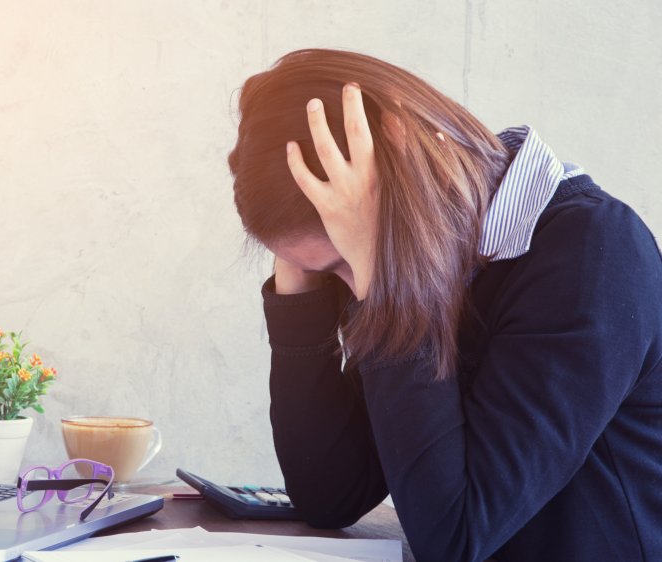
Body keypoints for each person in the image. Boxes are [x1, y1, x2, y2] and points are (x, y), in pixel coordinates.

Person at [227, 48, 662, 562]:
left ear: (411, 178)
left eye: (346, 264)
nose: (351, 286)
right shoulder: (404, 244)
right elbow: (331, 494)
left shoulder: (593, 251)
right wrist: (299, 280)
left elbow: (456, 538)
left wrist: (381, 280)